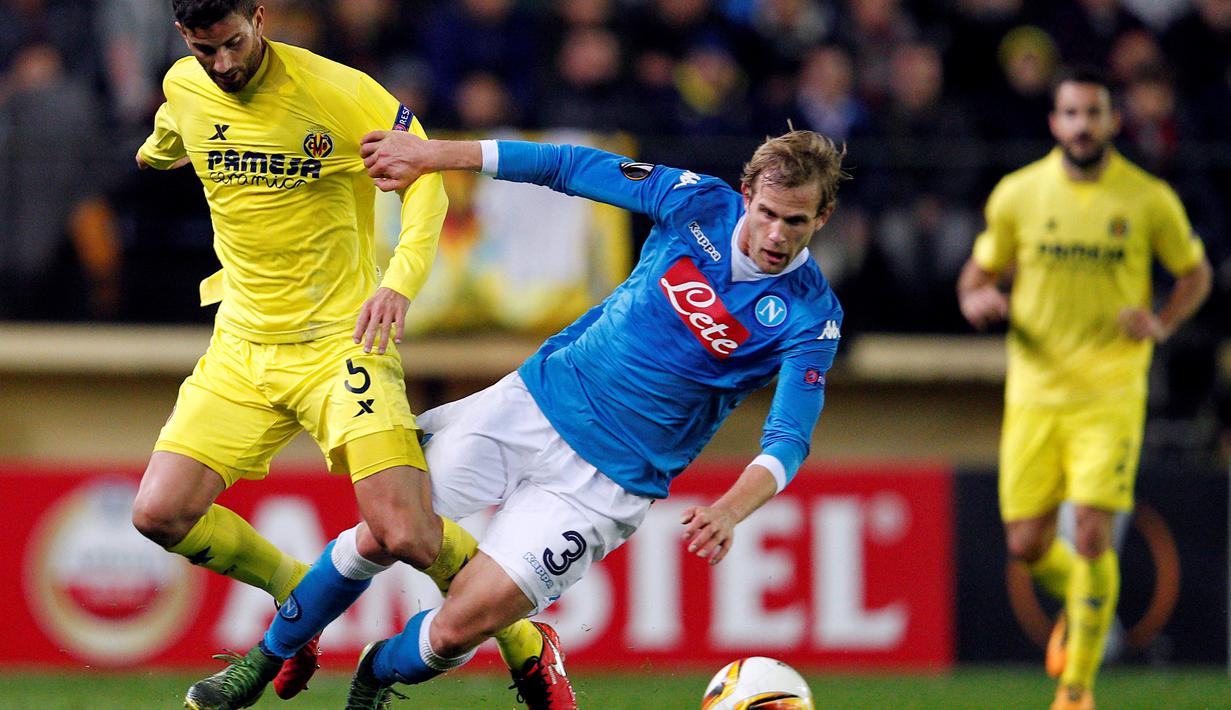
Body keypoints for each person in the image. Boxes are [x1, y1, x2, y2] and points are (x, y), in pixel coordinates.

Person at [188, 127, 848, 709]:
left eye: (794, 222)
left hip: (604, 484)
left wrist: (731, 509)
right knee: (384, 532)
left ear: (821, 218)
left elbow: (787, 440)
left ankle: (373, 673)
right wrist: (433, 155)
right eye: (765, 213)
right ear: (744, 194)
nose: (773, 234)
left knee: (453, 630)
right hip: (529, 406)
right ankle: (263, 661)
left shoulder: (808, 315)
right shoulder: (693, 201)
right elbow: (564, 165)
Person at [128, 2, 546, 708]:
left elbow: (426, 181)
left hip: (342, 344)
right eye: (206, 51)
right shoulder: (184, 88)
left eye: (233, 43)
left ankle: (530, 647)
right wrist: (154, 151)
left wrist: (399, 284)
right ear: (183, 38)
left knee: (406, 533)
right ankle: (299, 594)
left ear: (258, 16)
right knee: (158, 513)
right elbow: (168, 139)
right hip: (242, 345)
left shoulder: (341, 91)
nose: (223, 64)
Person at [956, 66, 1212, 710]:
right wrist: (979, 298)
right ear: (1054, 122)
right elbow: (975, 276)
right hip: (1036, 391)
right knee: (1027, 543)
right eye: (1070, 114)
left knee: (1092, 532)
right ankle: (1080, 601)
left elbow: (1195, 273)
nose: (1081, 125)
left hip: (1111, 389)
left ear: (1111, 121)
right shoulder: (1019, 194)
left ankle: (1077, 688)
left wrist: (1161, 320)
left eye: (1093, 113)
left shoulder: (1147, 198)